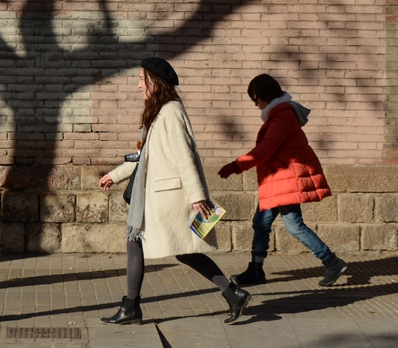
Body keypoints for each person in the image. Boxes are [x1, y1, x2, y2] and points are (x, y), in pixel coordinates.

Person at [98, 57, 253, 326]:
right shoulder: (159, 112)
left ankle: (132, 307)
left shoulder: (171, 112)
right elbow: (144, 156)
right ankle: (232, 294)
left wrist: (197, 197)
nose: (137, 86)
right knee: (172, 248)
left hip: (170, 196)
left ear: (154, 82)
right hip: (155, 196)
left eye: (140, 79)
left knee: (168, 247)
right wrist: (115, 175)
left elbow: (185, 156)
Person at [218, 74, 348, 288]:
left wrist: (237, 165)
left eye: (256, 98)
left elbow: (267, 148)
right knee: (261, 223)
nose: (255, 104)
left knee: (294, 226)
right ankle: (256, 269)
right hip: (276, 181)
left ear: (266, 95)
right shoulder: (277, 114)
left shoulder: (283, 116)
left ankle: (331, 261)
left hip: (285, 180)